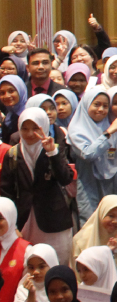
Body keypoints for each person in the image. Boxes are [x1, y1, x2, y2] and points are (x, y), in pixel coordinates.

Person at [2, 110, 70, 267]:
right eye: (24, 128)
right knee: (27, 264)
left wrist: (52, 153)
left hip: (53, 218)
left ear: (44, 127)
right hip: (24, 219)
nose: (30, 134)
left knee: (55, 263)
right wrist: (12, 225)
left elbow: (65, 178)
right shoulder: (12, 154)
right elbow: (6, 191)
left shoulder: (54, 149)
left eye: (35, 128)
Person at [68, 88, 117, 222]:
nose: (101, 109)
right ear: (87, 104)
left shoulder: (109, 125)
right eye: (96, 104)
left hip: (113, 184)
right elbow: (88, 154)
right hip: (89, 185)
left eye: (105, 106)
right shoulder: (77, 130)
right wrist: (107, 133)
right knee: (90, 222)